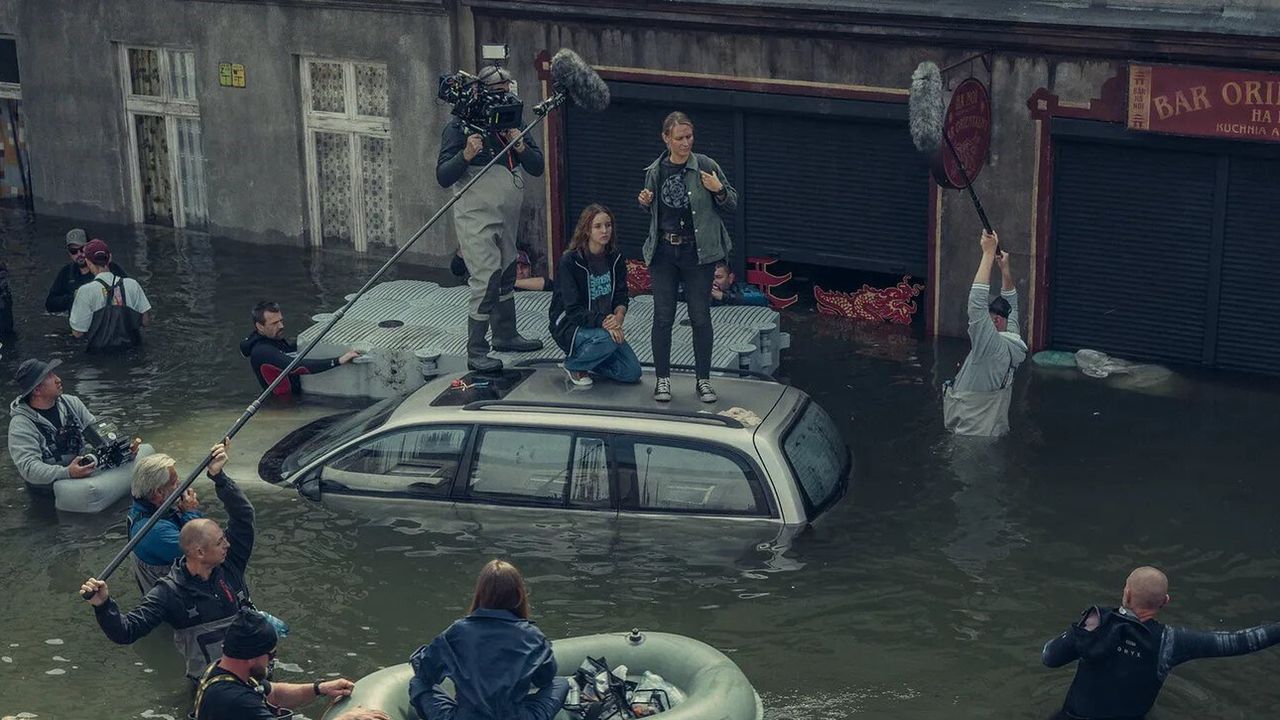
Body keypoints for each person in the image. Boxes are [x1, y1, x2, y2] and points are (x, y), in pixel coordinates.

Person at [81, 440, 262, 681]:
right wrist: (103, 605)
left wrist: (219, 477)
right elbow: (126, 631)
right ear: (157, 494)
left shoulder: (228, 562)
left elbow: (243, 517)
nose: (228, 544)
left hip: (248, 664)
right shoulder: (167, 581)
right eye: (176, 484)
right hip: (200, 655)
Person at [1042, 566, 1280, 719]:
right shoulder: (1172, 642)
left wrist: (1078, 633)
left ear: (1126, 594)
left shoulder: (1095, 624)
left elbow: (1049, 658)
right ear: (1165, 601)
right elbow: (1240, 641)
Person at [436, 65, 545, 373]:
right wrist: (466, 154)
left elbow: (537, 166)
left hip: (508, 215)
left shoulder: (514, 120)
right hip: (476, 215)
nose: (508, 93)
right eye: (501, 89)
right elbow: (444, 176)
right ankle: (477, 350)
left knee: (508, 269)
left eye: (509, 86)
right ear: (485, 91)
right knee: (486, 279)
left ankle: (506, 334)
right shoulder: (459, 127)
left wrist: (520, 143)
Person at [638, 111, 737, 404]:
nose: (685, 143)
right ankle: (663, 379)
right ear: (666, 139)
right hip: (665, 252)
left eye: (689, 137)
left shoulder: (706, 165)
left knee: (700, 317)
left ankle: (703, 380)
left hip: (698, 252)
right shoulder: (656, 169)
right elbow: (654, 211)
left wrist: (718, 190)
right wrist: (644, 202)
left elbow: (732, 202)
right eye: (679, 138)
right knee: (663, 317)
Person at [408, 559, 569, 720]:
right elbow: (545, 679)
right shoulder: (533, 636)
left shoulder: (457, 632)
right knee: (561, 683)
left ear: (480, 594)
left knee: (418, 683)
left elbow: (426, 674)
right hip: (517, 717)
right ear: (519, 595)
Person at [191, 609, 388, 720]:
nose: (273, 661)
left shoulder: (225, 669)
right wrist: (346, 718)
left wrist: (319, 688)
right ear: (250, 657)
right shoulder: (234, 700)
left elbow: (274, 694)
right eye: (271, 654)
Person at [942, 230, 1027, 437]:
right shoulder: (1013, 341)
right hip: (992, 428)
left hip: (970, 435)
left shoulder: (990, 345)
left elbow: (976, 304)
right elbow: (1012, 305)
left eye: (988, 318)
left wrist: (987, 255)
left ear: (995, 321)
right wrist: (1004, 269)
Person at [549, 204, 641, 387]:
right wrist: (606, 323)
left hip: (604, 325)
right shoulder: (570, 261)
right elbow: (573, 310)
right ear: (587, 230)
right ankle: (573, 365)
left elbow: (621, 294)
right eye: (598, 226)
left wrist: (619, 317)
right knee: (607, 339)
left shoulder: (616, 257)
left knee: (632, 372)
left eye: (608, 225)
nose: (604, 230)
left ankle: (590, 361)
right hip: (571, 325)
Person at [7, 358, 109, 493]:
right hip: (47, 490)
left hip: (82, 476)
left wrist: (117, 445)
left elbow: (96, 431)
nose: (58, 379)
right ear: (37, 390)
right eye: (50, 376)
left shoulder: (72, 403)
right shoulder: (20, 425)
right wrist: (67, 472)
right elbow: (29, 468)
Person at [239, 301, 361, 395]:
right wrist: (338, 361)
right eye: (274, 323)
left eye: (281, 320)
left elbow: (292, 351)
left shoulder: (271, 338)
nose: (281, 326)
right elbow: (295, 367)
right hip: (285, 405)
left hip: (297, 394)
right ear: (260, 326)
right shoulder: (262, 351)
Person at [127, 453, 203, 593]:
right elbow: (203, 552)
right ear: (159, 493)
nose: (179, 484)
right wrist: (191, 513)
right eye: (174, 482)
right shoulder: (155, 532)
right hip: (176, 606)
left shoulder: (142, 509)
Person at [69, 238, 151, 352]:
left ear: (88, 262)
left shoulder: (85, 291)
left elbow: (78, 333)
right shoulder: (132, 284)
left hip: (100, 356)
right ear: (110, 258)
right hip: (131, 350)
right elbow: (145, 321)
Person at [45, 228, 128, 314]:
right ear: (69, 253)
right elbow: (50, 304)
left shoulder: (108, 267)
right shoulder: (66, 272)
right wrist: (74, 297)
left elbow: (128, 290)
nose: (79, 254)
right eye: (73, 251)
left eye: (82, 249)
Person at [451, 247, 553, 293]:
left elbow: (548, 284)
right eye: (515, 268)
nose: (520, 271)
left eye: (524, 267)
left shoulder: (534, 283)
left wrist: (510, 283)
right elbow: (457, 269)